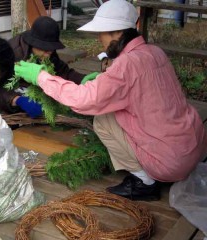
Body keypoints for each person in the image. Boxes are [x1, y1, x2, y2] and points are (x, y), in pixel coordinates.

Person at [13, 0, 207, 201]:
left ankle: (144, 183)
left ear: (117, 32)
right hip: (194, 146)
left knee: (102, 120)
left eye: (101, 33)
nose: (99, 39)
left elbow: (83, 100)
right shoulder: (154, 52)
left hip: (170, 163)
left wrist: (41, 77)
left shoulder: (126, 65)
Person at [0, 16, 96, 118]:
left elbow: (61, 70)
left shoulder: (48, 53)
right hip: (2, 105)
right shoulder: (11, 53)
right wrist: (16, 99)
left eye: (51, 49)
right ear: (33, 43)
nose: (48, 54)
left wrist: (83, 79)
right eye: (45, 49)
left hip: (30, 96)